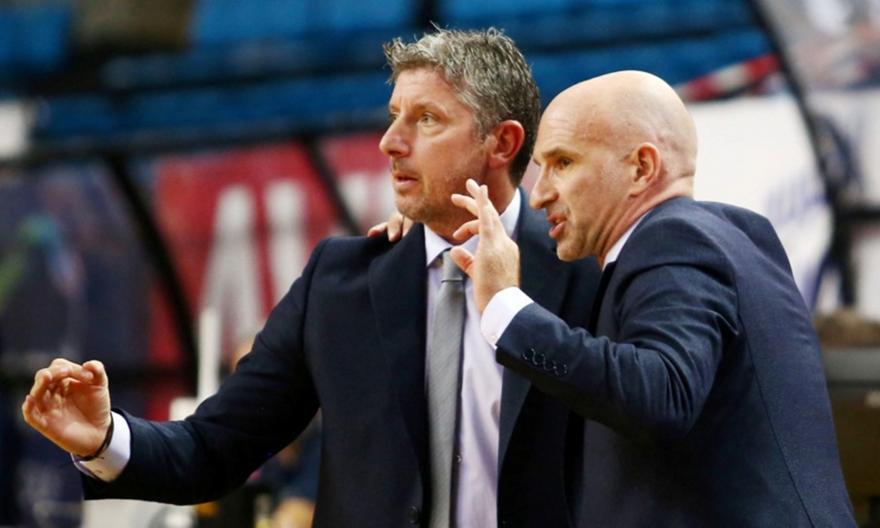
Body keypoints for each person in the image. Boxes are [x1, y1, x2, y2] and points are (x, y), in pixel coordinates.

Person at [21, 28, 600, 528]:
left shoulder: (584, 273)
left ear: (502, 143)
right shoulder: (340, 283)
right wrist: (104, 438)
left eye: (427, 120)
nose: (391, 142)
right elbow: (213, 446)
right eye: (394, 116)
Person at [449, 70, 855, 526]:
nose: (540, 194)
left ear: (642, 168)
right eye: (540, 169)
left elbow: (662, 393)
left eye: (563, 162)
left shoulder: (673, 240)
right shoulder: (725, 237)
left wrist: (505, 304)